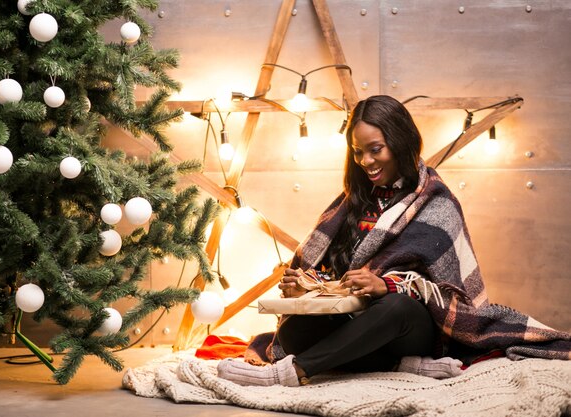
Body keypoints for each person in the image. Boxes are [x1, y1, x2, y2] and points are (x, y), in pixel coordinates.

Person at [217, 95, 571, 387]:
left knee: (394, 309)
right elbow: (338, 277)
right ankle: (403, 366)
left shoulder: (437, 202)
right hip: (357, 322)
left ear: (399, 144)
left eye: (376, 150)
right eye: (358, 152)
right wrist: (309, 286)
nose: (366, 162)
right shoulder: (352, 202)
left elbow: (447, 294)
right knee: (293, 333)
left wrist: (386, 285)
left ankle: (294, 371)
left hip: (412, 325)